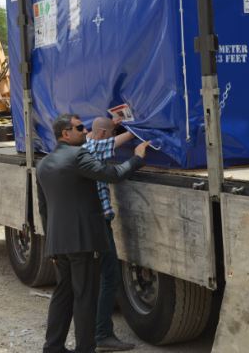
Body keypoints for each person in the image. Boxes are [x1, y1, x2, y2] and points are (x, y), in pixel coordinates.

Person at [37, 113, 149, 353]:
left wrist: (50, 246)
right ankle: (85, 348)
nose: (85, 131)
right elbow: (112, 175)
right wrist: (137, 159)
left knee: (63, 294)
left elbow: (43, 208)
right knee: (85, 296)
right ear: (65, 133)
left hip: (58, 242)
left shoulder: (43, 164)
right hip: (82, 240)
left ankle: (53, 347)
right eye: (79, 128)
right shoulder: (78, 156)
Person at [84, 117, 136, 352]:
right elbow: (117, 142)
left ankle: (96, 332)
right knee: (110, 276)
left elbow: (102, 135)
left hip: (91, 222)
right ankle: (102, 334)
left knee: (100, 276)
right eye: (111, 132)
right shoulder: (94, 148)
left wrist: (113, 124)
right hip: (98, 223)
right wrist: (137, 131)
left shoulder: (86, 142)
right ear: (104, 134)